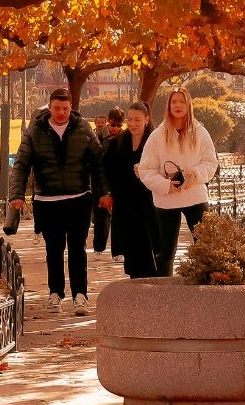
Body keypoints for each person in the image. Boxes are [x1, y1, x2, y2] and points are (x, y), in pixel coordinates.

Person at [8, 86, 104, 315]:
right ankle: (55, 294)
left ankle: (80, 295)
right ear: (49, 108)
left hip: (78, 197)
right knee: (54, 249)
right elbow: (21, 164)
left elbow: (99, 162)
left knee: (77, 248)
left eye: (65, 108)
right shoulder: (35, 131)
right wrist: (16, 195)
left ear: (71, 108)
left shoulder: (83, 128)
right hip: (47, 200)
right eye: (57, 108)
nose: (61, 112)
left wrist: (105, 193)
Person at [138, 88, 218, 275]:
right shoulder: (157, 135)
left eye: (182, 101)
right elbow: (146, 169)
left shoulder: (200, 132)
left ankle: (207, 289)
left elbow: (211, 162)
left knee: (205, 248)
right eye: (174, 102)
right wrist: (165, 185)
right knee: (166, 251)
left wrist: (194, 174)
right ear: (168, 106)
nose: (178, 106)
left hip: (195, 196)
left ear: (188, 104)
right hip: (166, 200)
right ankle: (164, 295)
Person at [102, 102, 161, 279]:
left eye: (137, 119)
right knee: (131, 244)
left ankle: (154, 278)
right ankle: (135, 279)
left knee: (151, 243)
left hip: (150, 201)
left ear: (146, 119)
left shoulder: (155, 141)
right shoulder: (117, 143)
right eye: (130, 119)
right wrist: (108, 193)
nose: (133, 123)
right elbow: (107, 170)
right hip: (124, 202)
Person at [92, 108, 125, 257]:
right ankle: (99, 248)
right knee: (101, 218)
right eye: (113, 125)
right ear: (108, 121)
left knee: (118, 218)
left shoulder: (125, 138)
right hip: (100, 181)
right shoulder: (98, 137)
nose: (115, 128)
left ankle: (118, 251)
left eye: (119, 125)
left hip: (118, 181)